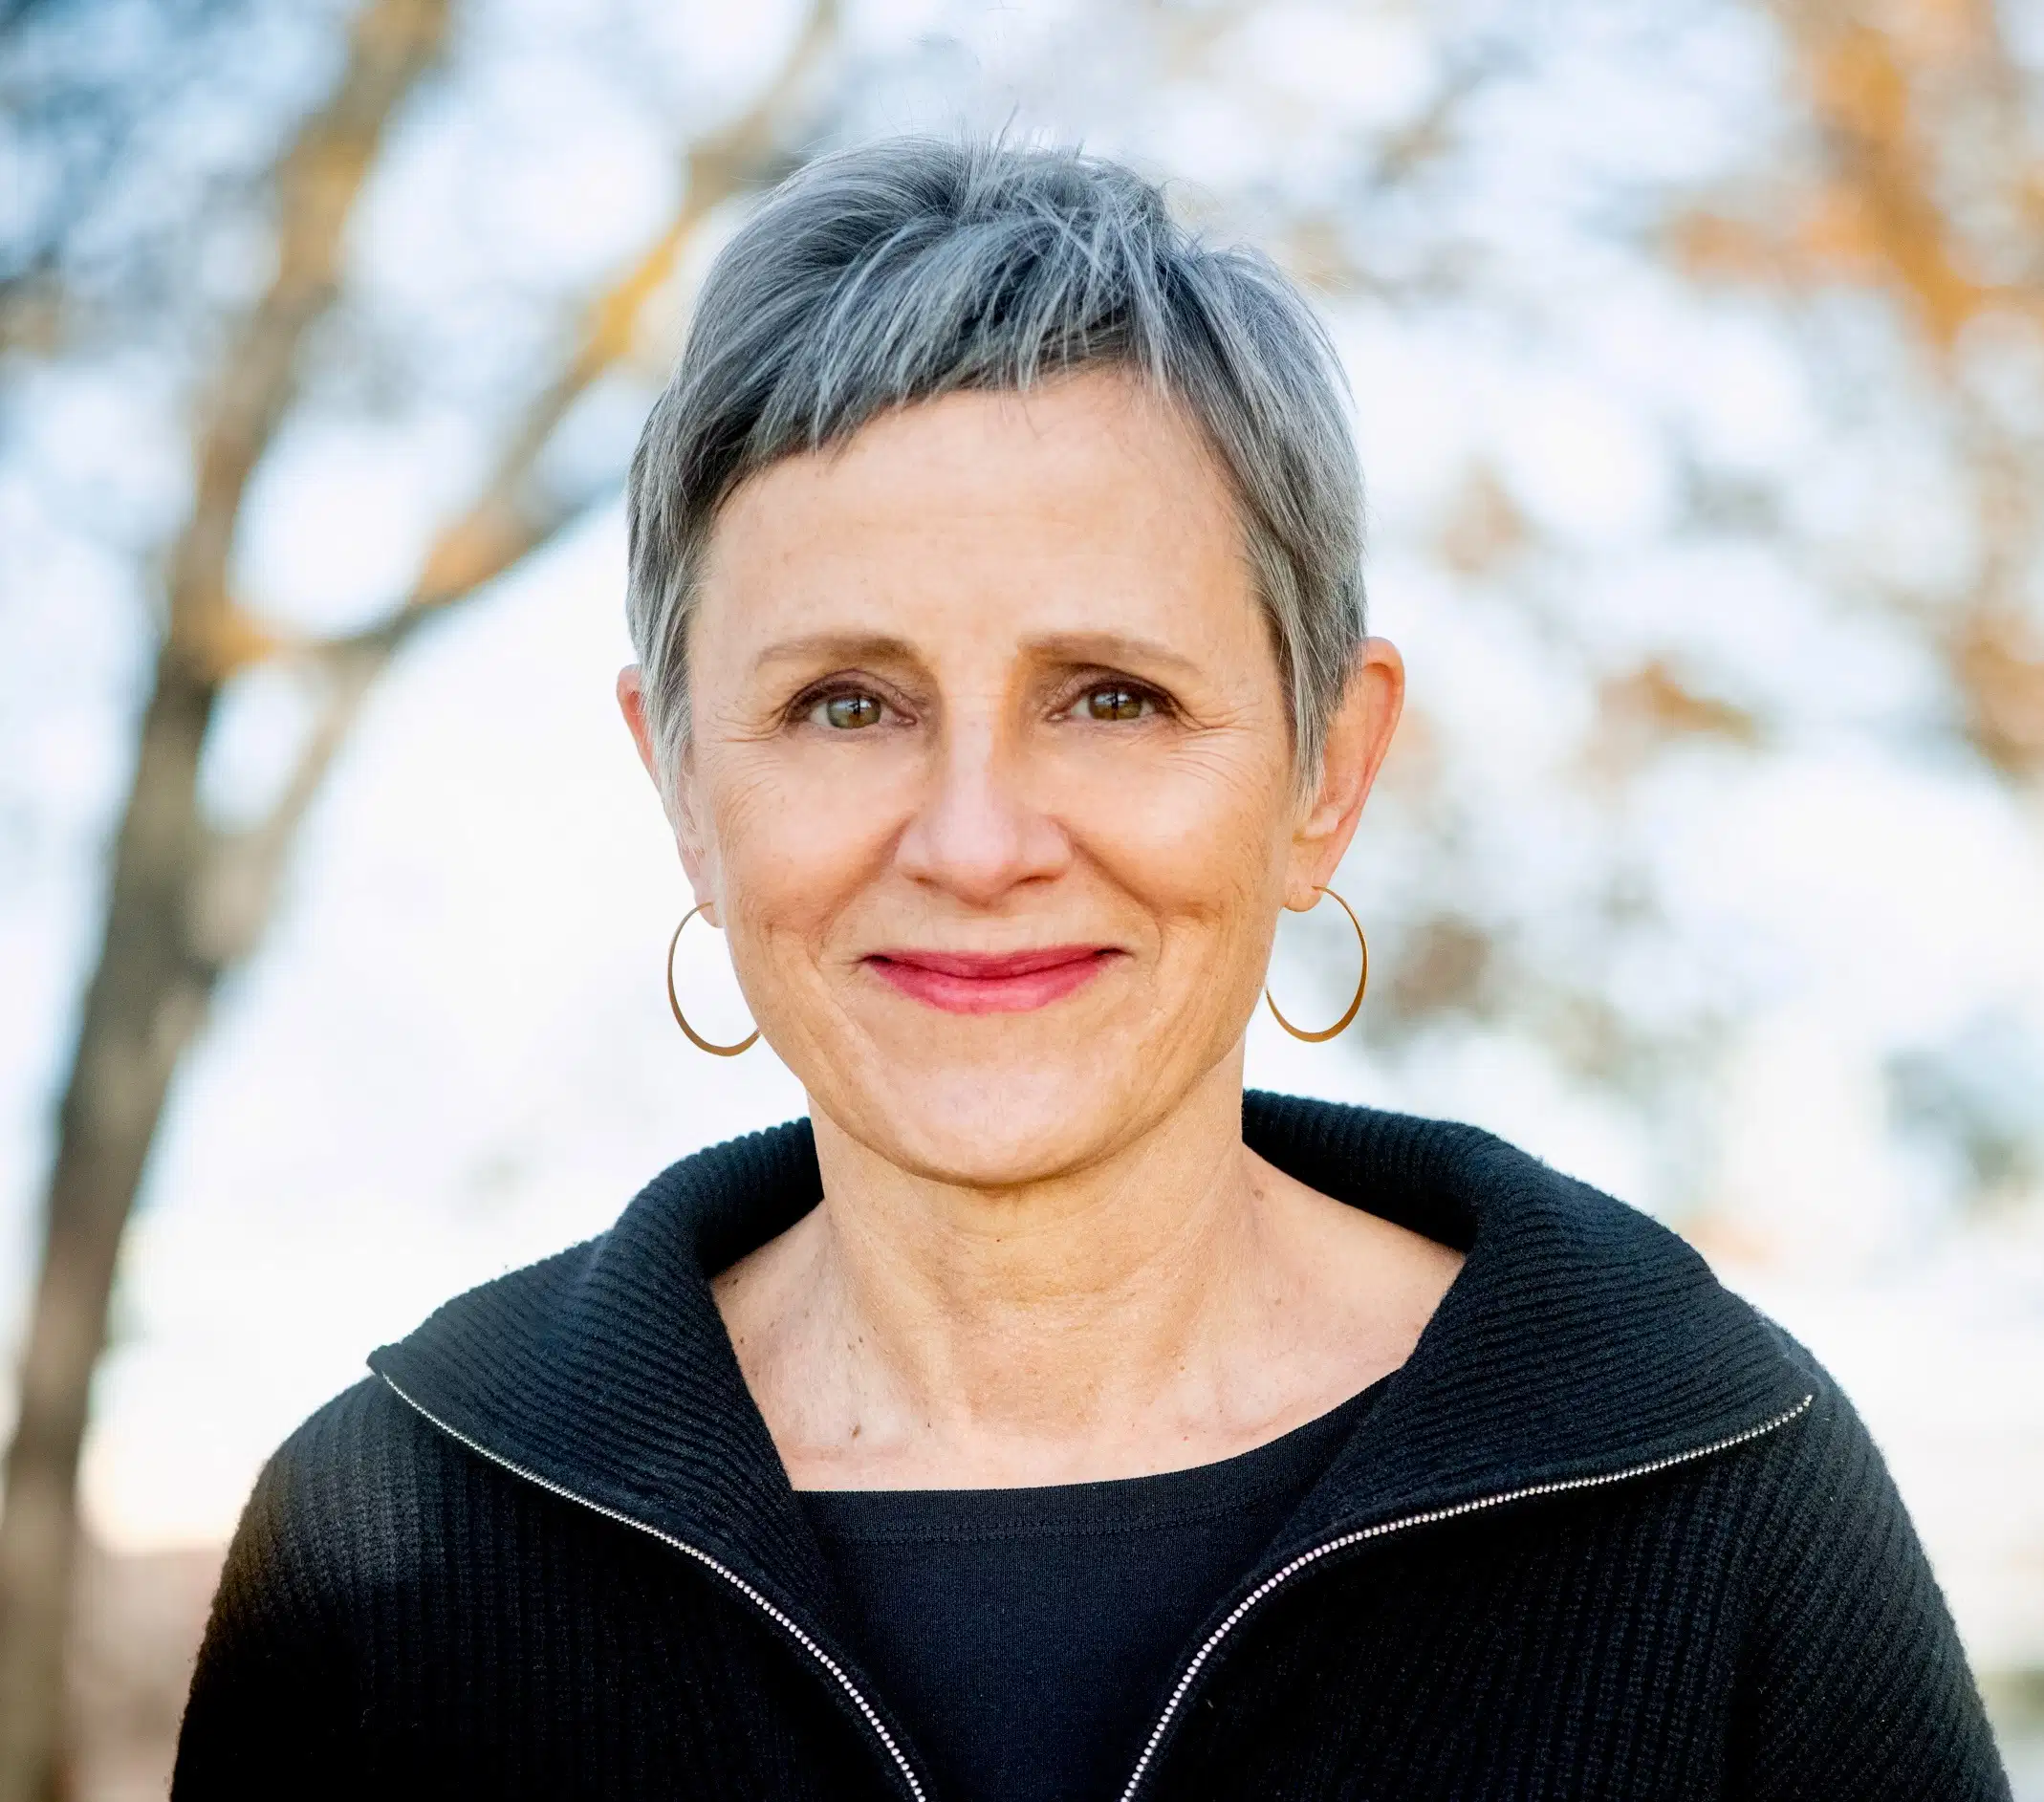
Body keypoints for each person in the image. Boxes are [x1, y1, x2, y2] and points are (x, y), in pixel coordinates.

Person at [172, 138, 2011, 1802]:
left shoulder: (1707, 1492)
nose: (975, 842)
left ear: (1326, 773)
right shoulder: (391, 1538)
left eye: (1110, 698)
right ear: (679, 784)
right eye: (845, 704)